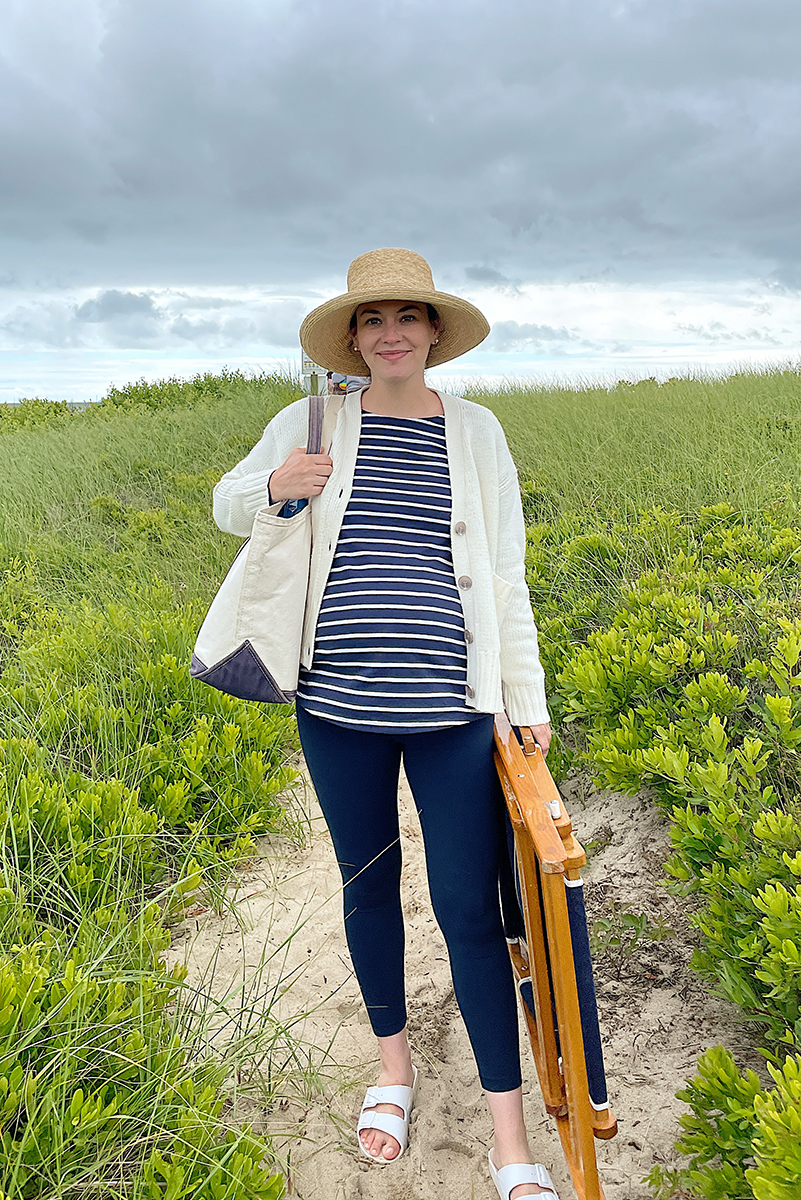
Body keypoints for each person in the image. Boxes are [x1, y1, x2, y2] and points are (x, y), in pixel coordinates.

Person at [212, 248, 557, 1200]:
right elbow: (226, 504)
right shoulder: (310, 418)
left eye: (408, 316)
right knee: (368, 890)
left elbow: (506, 575)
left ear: (435, 333)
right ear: (352, 339)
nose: (390, 333)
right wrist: (279, 483)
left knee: (468, 912)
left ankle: (508, 1132)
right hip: (338, 709)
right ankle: (394, 1072)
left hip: (451, 710)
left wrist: (521, 707)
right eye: (371, 320)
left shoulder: (478, 432)